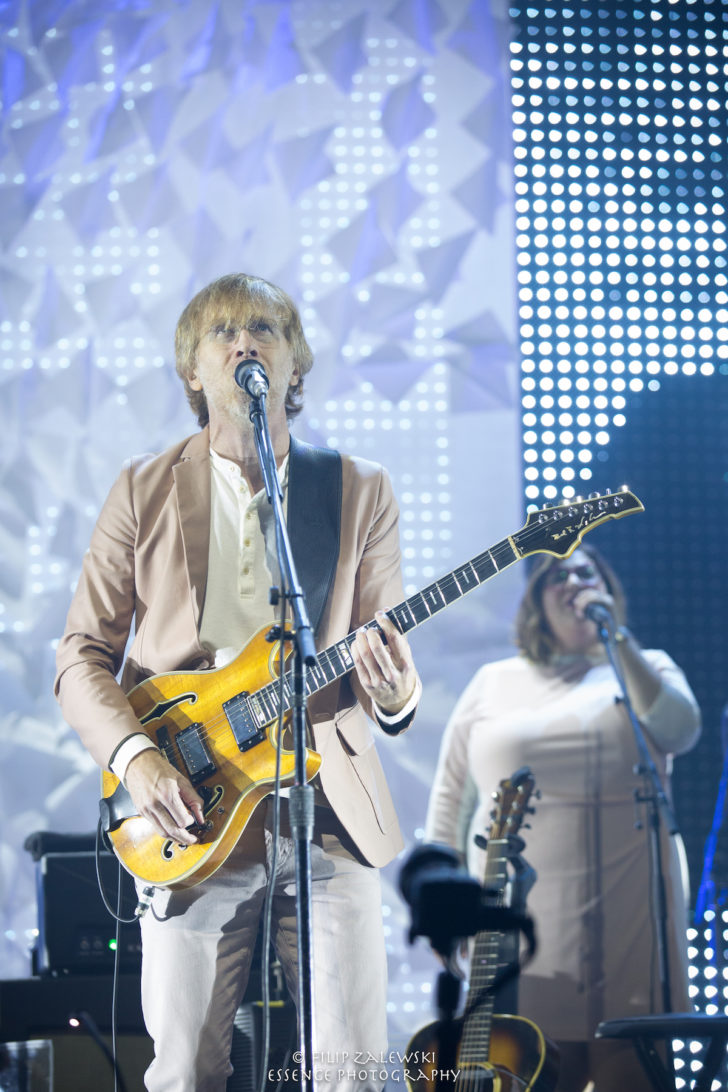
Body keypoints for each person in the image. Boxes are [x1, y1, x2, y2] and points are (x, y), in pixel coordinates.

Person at [54, 272, 420, 1092]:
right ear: (194, 370)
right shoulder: (142, 490)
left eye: (264, 328)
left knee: (353, 1072)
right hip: (192, 805)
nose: (243, 342)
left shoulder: (358, 490)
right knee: (185, 1072)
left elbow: (383, 657)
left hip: (328, 811)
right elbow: (81, 653)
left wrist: (396, 693)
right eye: (222, 333)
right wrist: (137, 759)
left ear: (295, 364)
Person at [425, 543, 701, 1092]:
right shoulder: (493, 682)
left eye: (587, 572)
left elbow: (680, 730)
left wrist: (616, 641)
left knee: (630, 1065)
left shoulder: (644, 671)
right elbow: (450, 802)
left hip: (629, 920)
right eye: (558, 575)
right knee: (536, 1069)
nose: (574, 582)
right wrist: (444, 909)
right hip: (516, 925)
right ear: (534, 600)